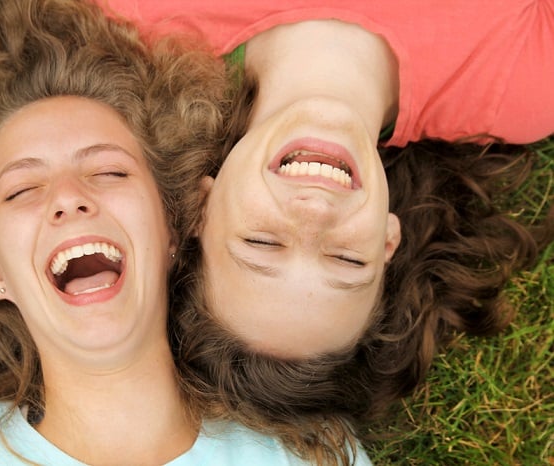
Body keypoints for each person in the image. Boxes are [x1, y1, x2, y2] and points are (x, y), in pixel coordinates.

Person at [0, 0, 350, 464]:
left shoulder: (305, 453)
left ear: (172, 230)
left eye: (110, 172)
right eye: (21, 189)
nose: (68, 197)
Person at [97, 0, 554, 460]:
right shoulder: (522, 83)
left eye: (262, 242)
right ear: (388, 240)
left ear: (200, 206)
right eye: (346, 259)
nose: (316, 212)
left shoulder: (142, 17)